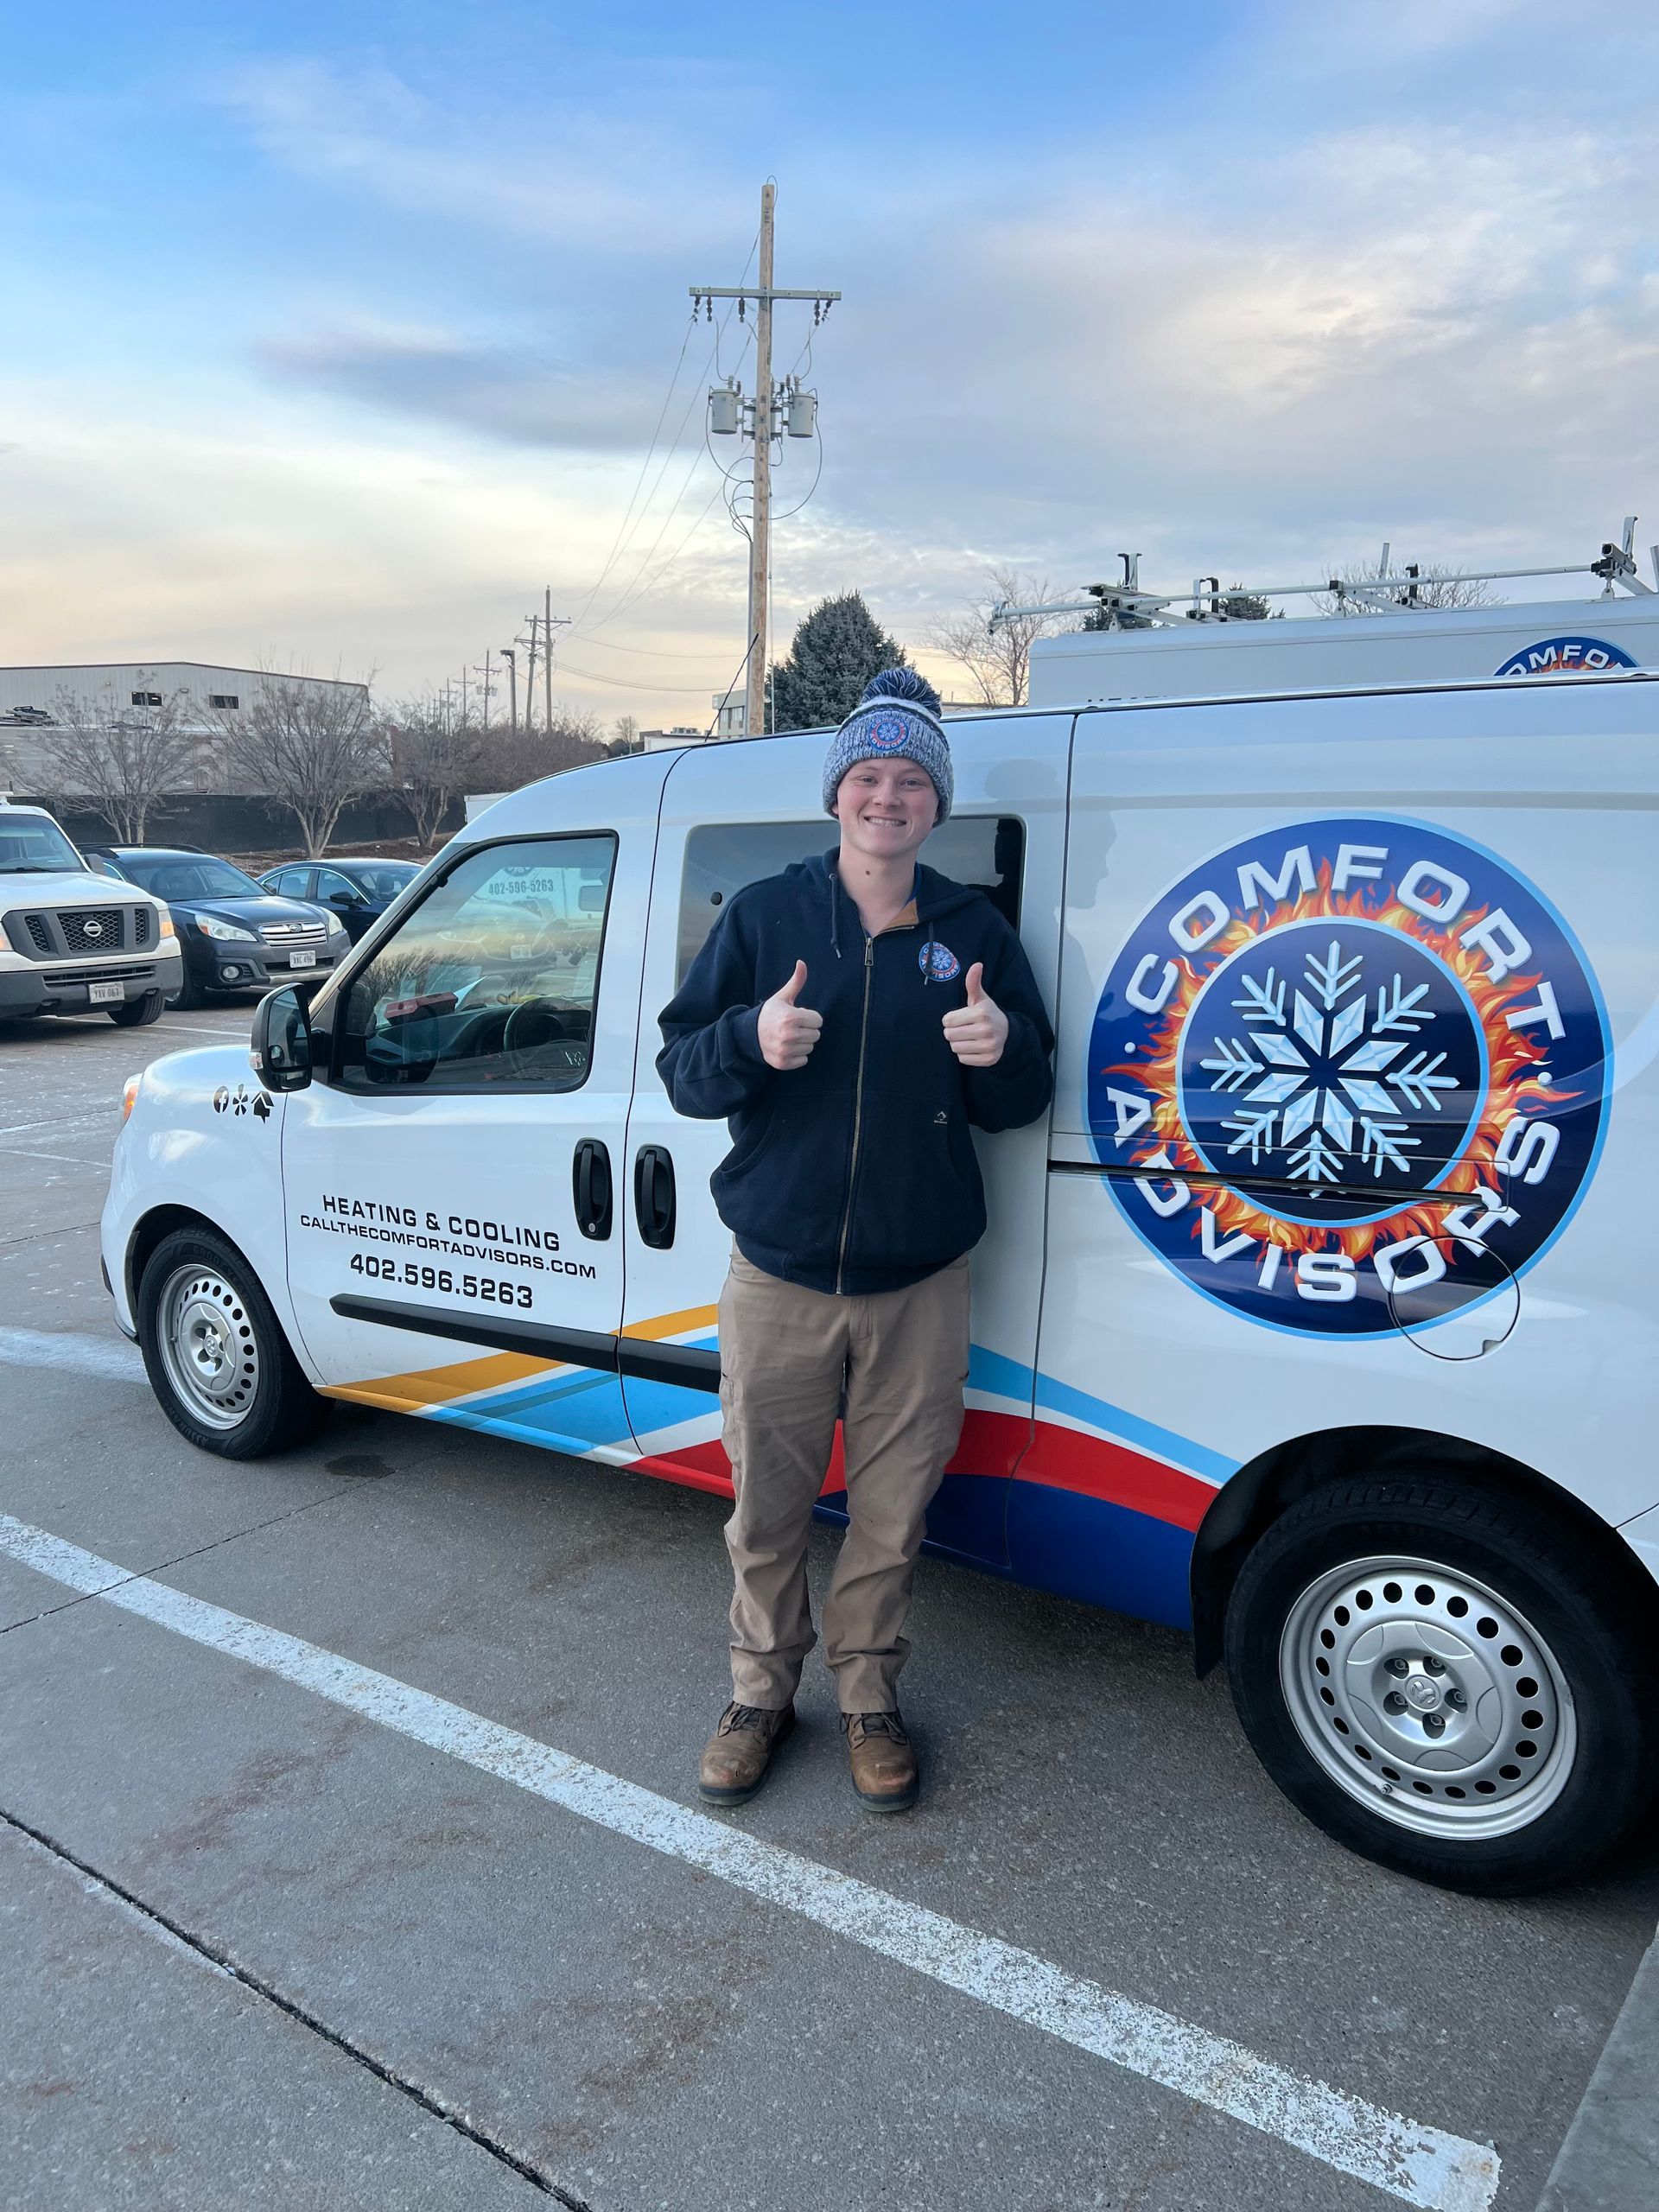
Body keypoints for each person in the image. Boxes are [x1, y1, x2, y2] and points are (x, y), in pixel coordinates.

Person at [657, 669, 1054, 1813]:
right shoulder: (767, 916)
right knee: (767, 1512)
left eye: (911, 782)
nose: (889, 798)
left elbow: (1022, 1099)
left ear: (936, 805)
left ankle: (870, 1698)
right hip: (776, 1276)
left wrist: (1001, 1051)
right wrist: (751, 1035)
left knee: (890, 1516)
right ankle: (758, 1696)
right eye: (869, 778)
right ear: (838, 797)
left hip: (919, 1285)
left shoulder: (972, 930)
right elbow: (683, 1073)